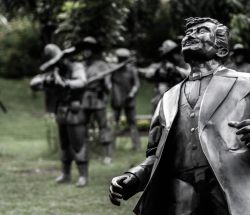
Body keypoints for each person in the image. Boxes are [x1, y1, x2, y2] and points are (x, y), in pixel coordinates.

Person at [109, 17, 250, 215]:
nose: (191, 34)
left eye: (201, 30)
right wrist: (135, 176)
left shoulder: (245, 84)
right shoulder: (168, 98)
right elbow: (156, 156)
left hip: (231, 192)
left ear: (222, 50)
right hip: (179, 197)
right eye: (188, 32)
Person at [30, 44, 89, 187]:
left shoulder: (76, 67)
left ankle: (83, 176)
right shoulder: (56, 71)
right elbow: (34, 83)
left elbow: (81, 81)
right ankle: (66, 173)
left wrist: (66, 83)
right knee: (64, 144)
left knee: (77, 143)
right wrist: (48, 81)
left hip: (74, 108)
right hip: (61, 110)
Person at [81, 36, 113, 165]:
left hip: (98, 99)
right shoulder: (80, 65)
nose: (86, 52)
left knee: (103, 126)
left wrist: (102, 80)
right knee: (83, 127)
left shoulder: (102, 65)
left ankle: (107, 155)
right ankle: (84, 154)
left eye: (89, 49)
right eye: (84, 49)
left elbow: (108, 86)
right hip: (84, 99)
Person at [139, 39, 188, 111]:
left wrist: (176, 70)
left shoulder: (186, 63)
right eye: (169, 55)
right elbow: (148, 73)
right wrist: (157, 72)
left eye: (174, 53)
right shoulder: (162, 65)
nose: (173, 56)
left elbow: (189, 73)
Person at [111, 48, 141, 151]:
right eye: (120, 59)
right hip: (117, 99)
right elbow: (108, 83)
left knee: (132, 123)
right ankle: (111, 145)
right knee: (114, 122)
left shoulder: (132, 70)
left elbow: (136, 84)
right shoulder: (114, 71)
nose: (121, 61)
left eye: (123, 59)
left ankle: (136, 146)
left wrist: (132, 93)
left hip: (129, 99)